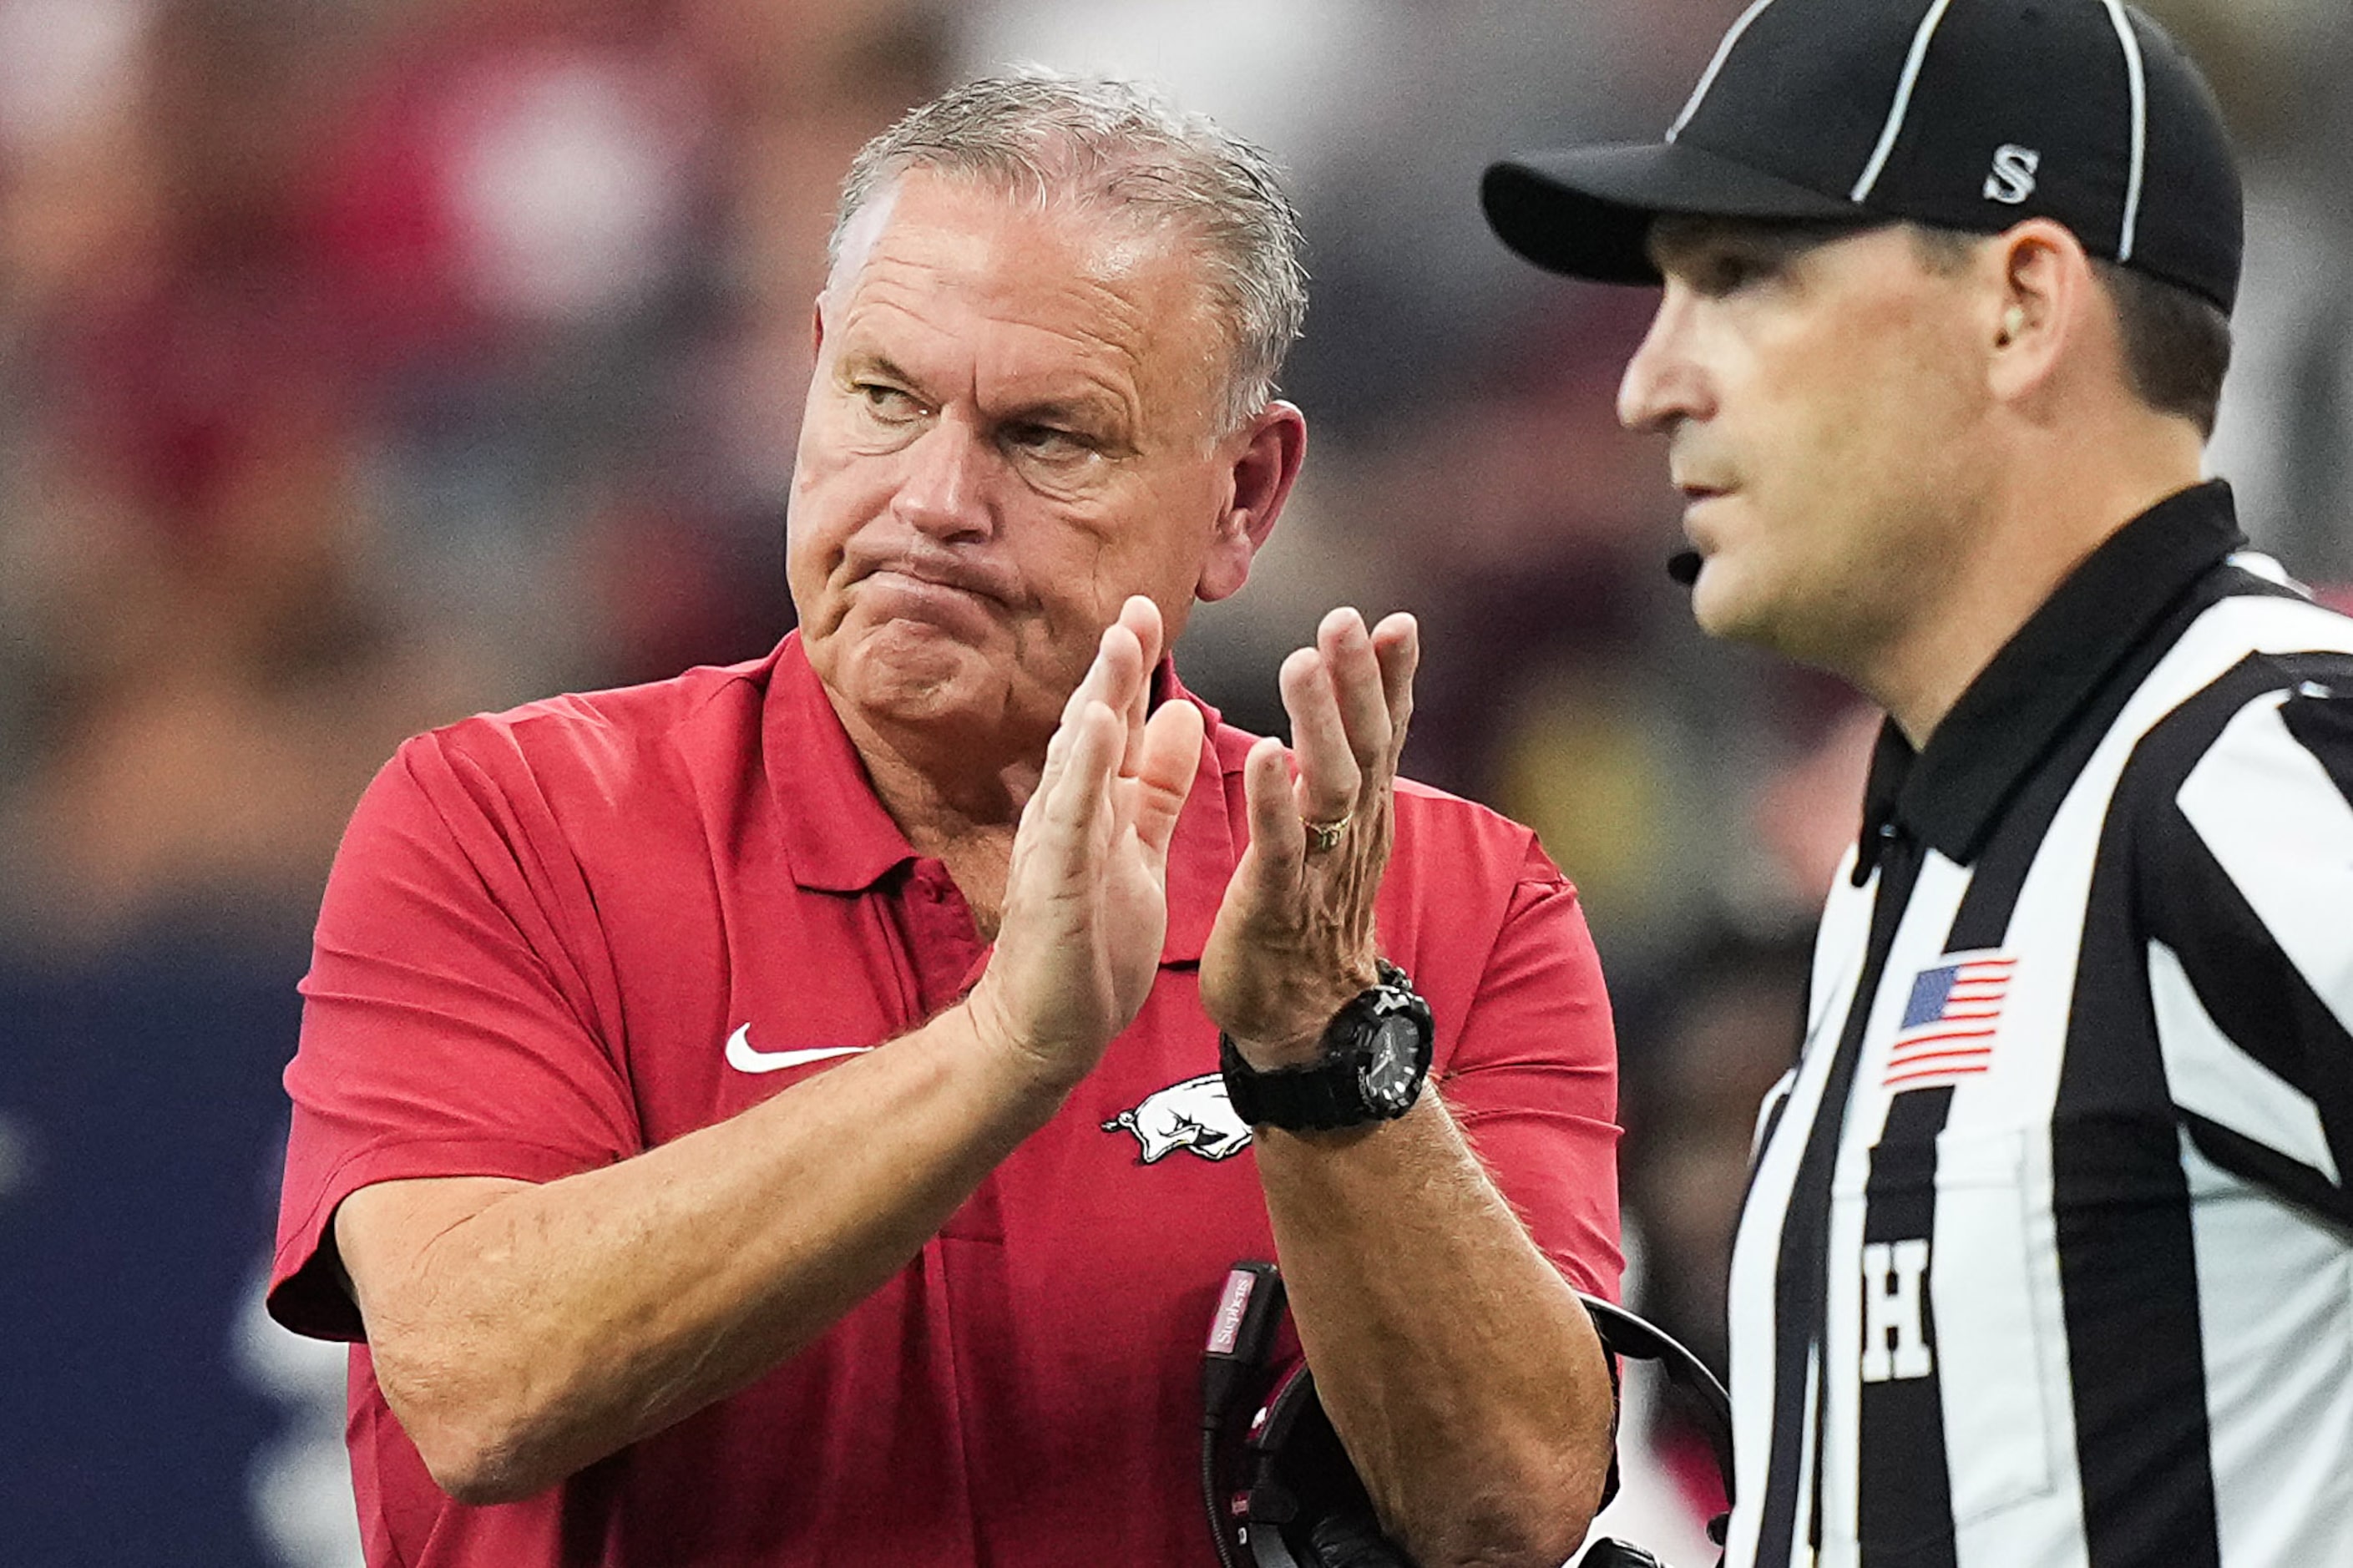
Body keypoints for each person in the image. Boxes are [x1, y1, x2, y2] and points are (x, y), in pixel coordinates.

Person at [269, 72, 1623, 1568]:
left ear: (1242, 495)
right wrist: (1002, 1053)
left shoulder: (1450, 902)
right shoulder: (509, 826)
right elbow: (478, 1383)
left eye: (1046, 436)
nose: (932, 498)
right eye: (883, 396)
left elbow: (1510, 1513)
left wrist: (1323, 1053)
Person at [1481, 2, 2353, 1565]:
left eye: (1740, 276)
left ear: (2020, 304)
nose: (1650, 382)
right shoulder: (1926, 856)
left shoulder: (2252, 772)